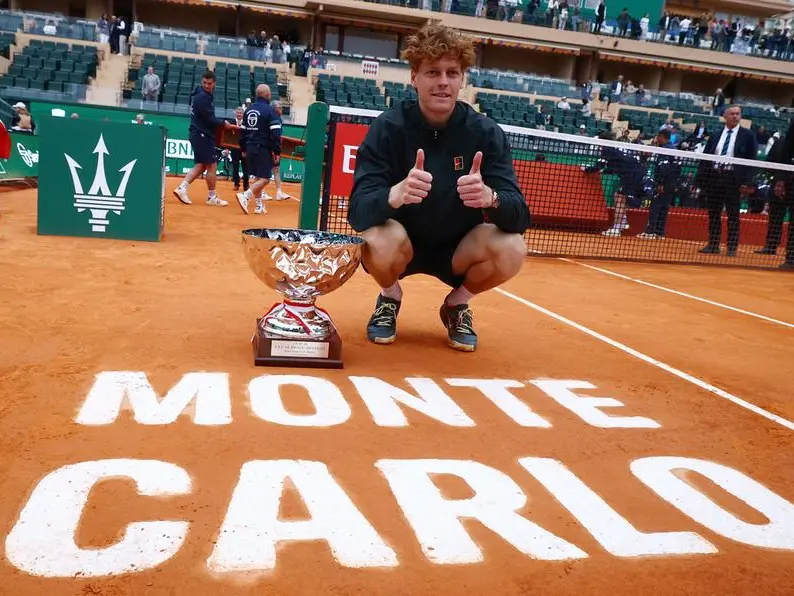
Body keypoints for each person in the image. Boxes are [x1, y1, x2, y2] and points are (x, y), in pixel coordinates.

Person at [347, 21, 530, 353]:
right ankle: (389, 297)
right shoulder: (387, 129)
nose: (443, 82)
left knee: (512, 248)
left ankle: (457, 305)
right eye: (433, 72)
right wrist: (394, 195)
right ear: (414, 76)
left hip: (459, 251)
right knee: (373, 237)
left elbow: (520, 217)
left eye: (452, 72)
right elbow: (357, 212)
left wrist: (491, 198)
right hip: (402, 246)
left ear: (462, 79)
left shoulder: (486, 134)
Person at [695, 104, 757, 257]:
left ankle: (731, 247)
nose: (735, 116)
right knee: (714, 213)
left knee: (733, 215)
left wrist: (746, 182)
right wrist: (701, 179)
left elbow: (753, 160)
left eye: (738, 114)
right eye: (732, 114)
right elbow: (706, 158)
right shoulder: (715, 135)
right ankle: (713, 244)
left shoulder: (748, 135)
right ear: (725, 116)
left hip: (734, 180)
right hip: (715, 177)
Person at [173, 70, 232, 207]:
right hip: (201, 135)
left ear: (214, 83)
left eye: (209, 83)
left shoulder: (202, 95)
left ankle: (182, 188)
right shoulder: (203, 97)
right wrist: (224, 123)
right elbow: (210, 119)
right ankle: (211, 197)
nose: (206, 85)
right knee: (211, 164)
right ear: (202, 82)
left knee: (201, 165)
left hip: (198, 134)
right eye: (204, 83)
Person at [583, 130, 646, 237]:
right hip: (635, 171)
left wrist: (586, 169)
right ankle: (622, 222)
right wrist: (602, 171)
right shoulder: (615, 146)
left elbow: (599, 166)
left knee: (620, 199)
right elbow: (615, 167)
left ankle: (616, 228)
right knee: (618, 196)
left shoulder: (607, 149)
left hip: (630, 174)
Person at [235, 84, 282, 215]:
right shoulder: (270, 111)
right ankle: (245, 195)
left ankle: (259, 206)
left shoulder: (248, 110)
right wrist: (277, 151)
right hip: (262, 148)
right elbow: (276, 134)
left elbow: (242, 132)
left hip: (250, 147)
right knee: (265, 178)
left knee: (258, 177)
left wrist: (243, 148)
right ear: (268, 95)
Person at [756, 121, 794, 269]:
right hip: (782, 182)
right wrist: (779, 180)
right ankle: (773, 246)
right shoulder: (781, 144)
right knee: (775, 215)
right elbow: (772, 163)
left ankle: (791, 256)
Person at [637, 129, 680, 239]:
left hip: (663, 184)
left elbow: (663, 168)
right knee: (664, 208)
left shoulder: (665, 150)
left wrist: (660, 183)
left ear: (662, 136)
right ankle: (659, 233)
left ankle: (650, 232)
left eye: (658, 136)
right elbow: (677, 169)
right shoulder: (675, 150)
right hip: (672, 184)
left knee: (655, 206)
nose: (656, 139)